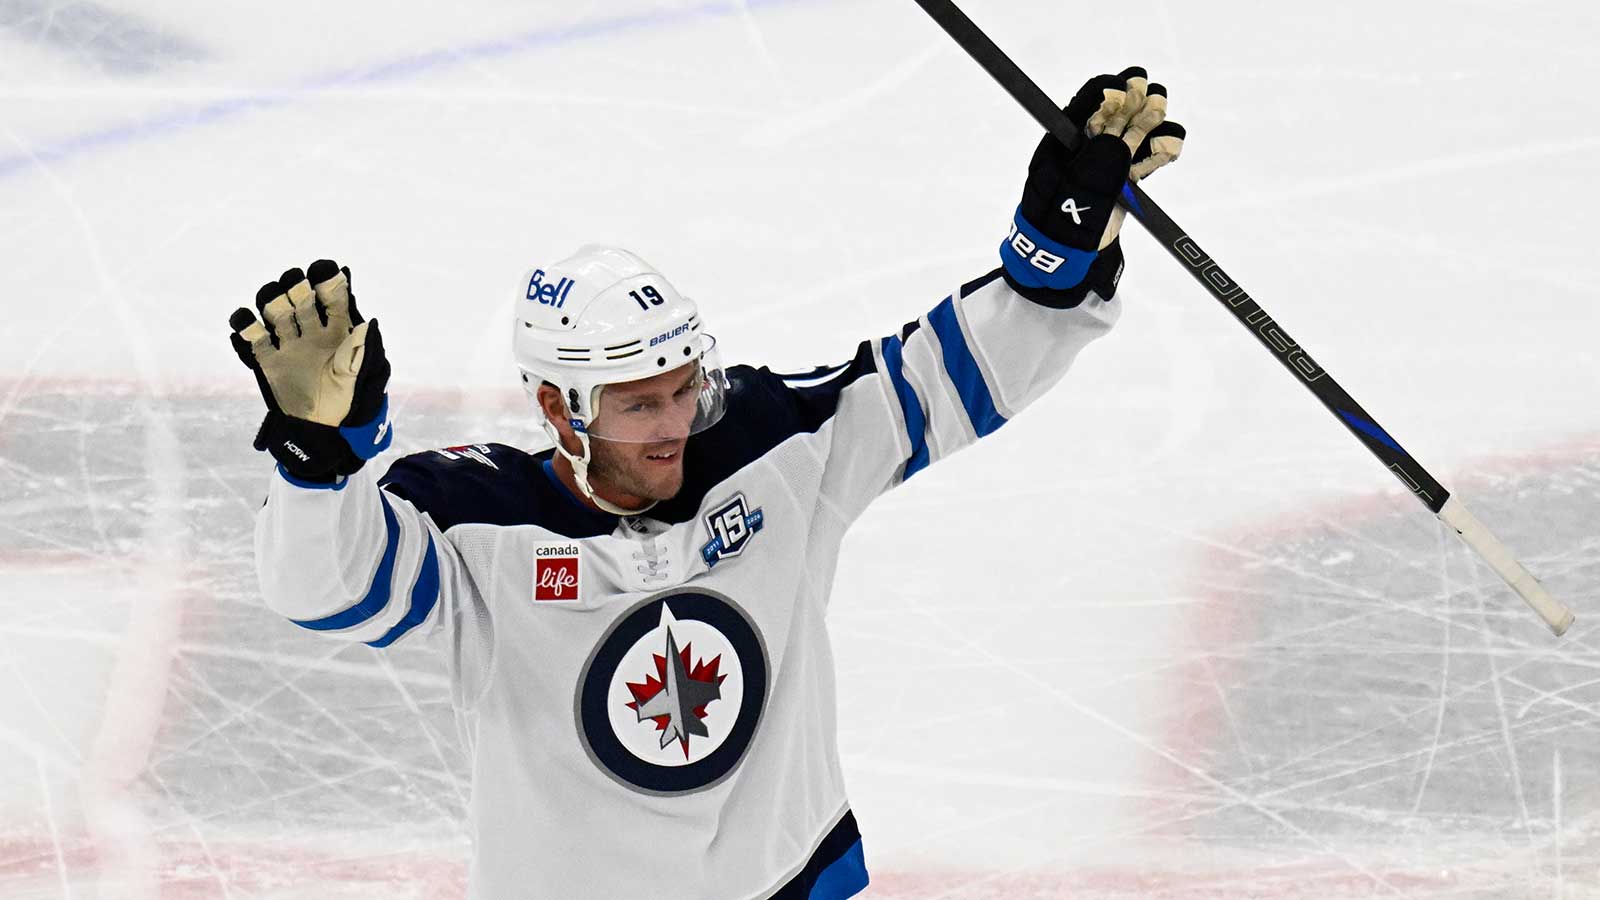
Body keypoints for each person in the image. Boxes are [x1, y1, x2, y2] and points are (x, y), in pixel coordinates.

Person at [227, 68, 1184, 900]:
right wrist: (321, 460)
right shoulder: (478, 526)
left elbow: (943, 377)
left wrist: (1052, 255)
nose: (675, 425)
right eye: (639, 405)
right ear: (559, 408)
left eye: (685, 389)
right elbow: (325, 587)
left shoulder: (771, 445)